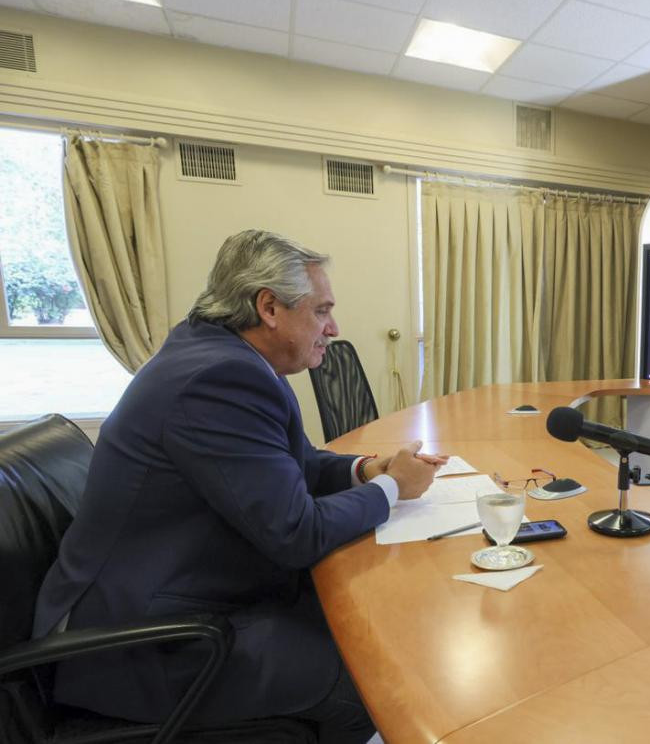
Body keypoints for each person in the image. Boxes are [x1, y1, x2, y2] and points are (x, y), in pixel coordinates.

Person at [34, 230, 445, 742]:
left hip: (173, 595)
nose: (333, 328)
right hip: (136, 649)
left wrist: (365, 470)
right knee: (368, 675)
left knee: (365, 625)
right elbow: (297, 532)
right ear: (269, 307)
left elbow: (288, 464)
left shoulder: (215, 354)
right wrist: (391, 491)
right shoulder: (219, 378)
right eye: (321, 311)